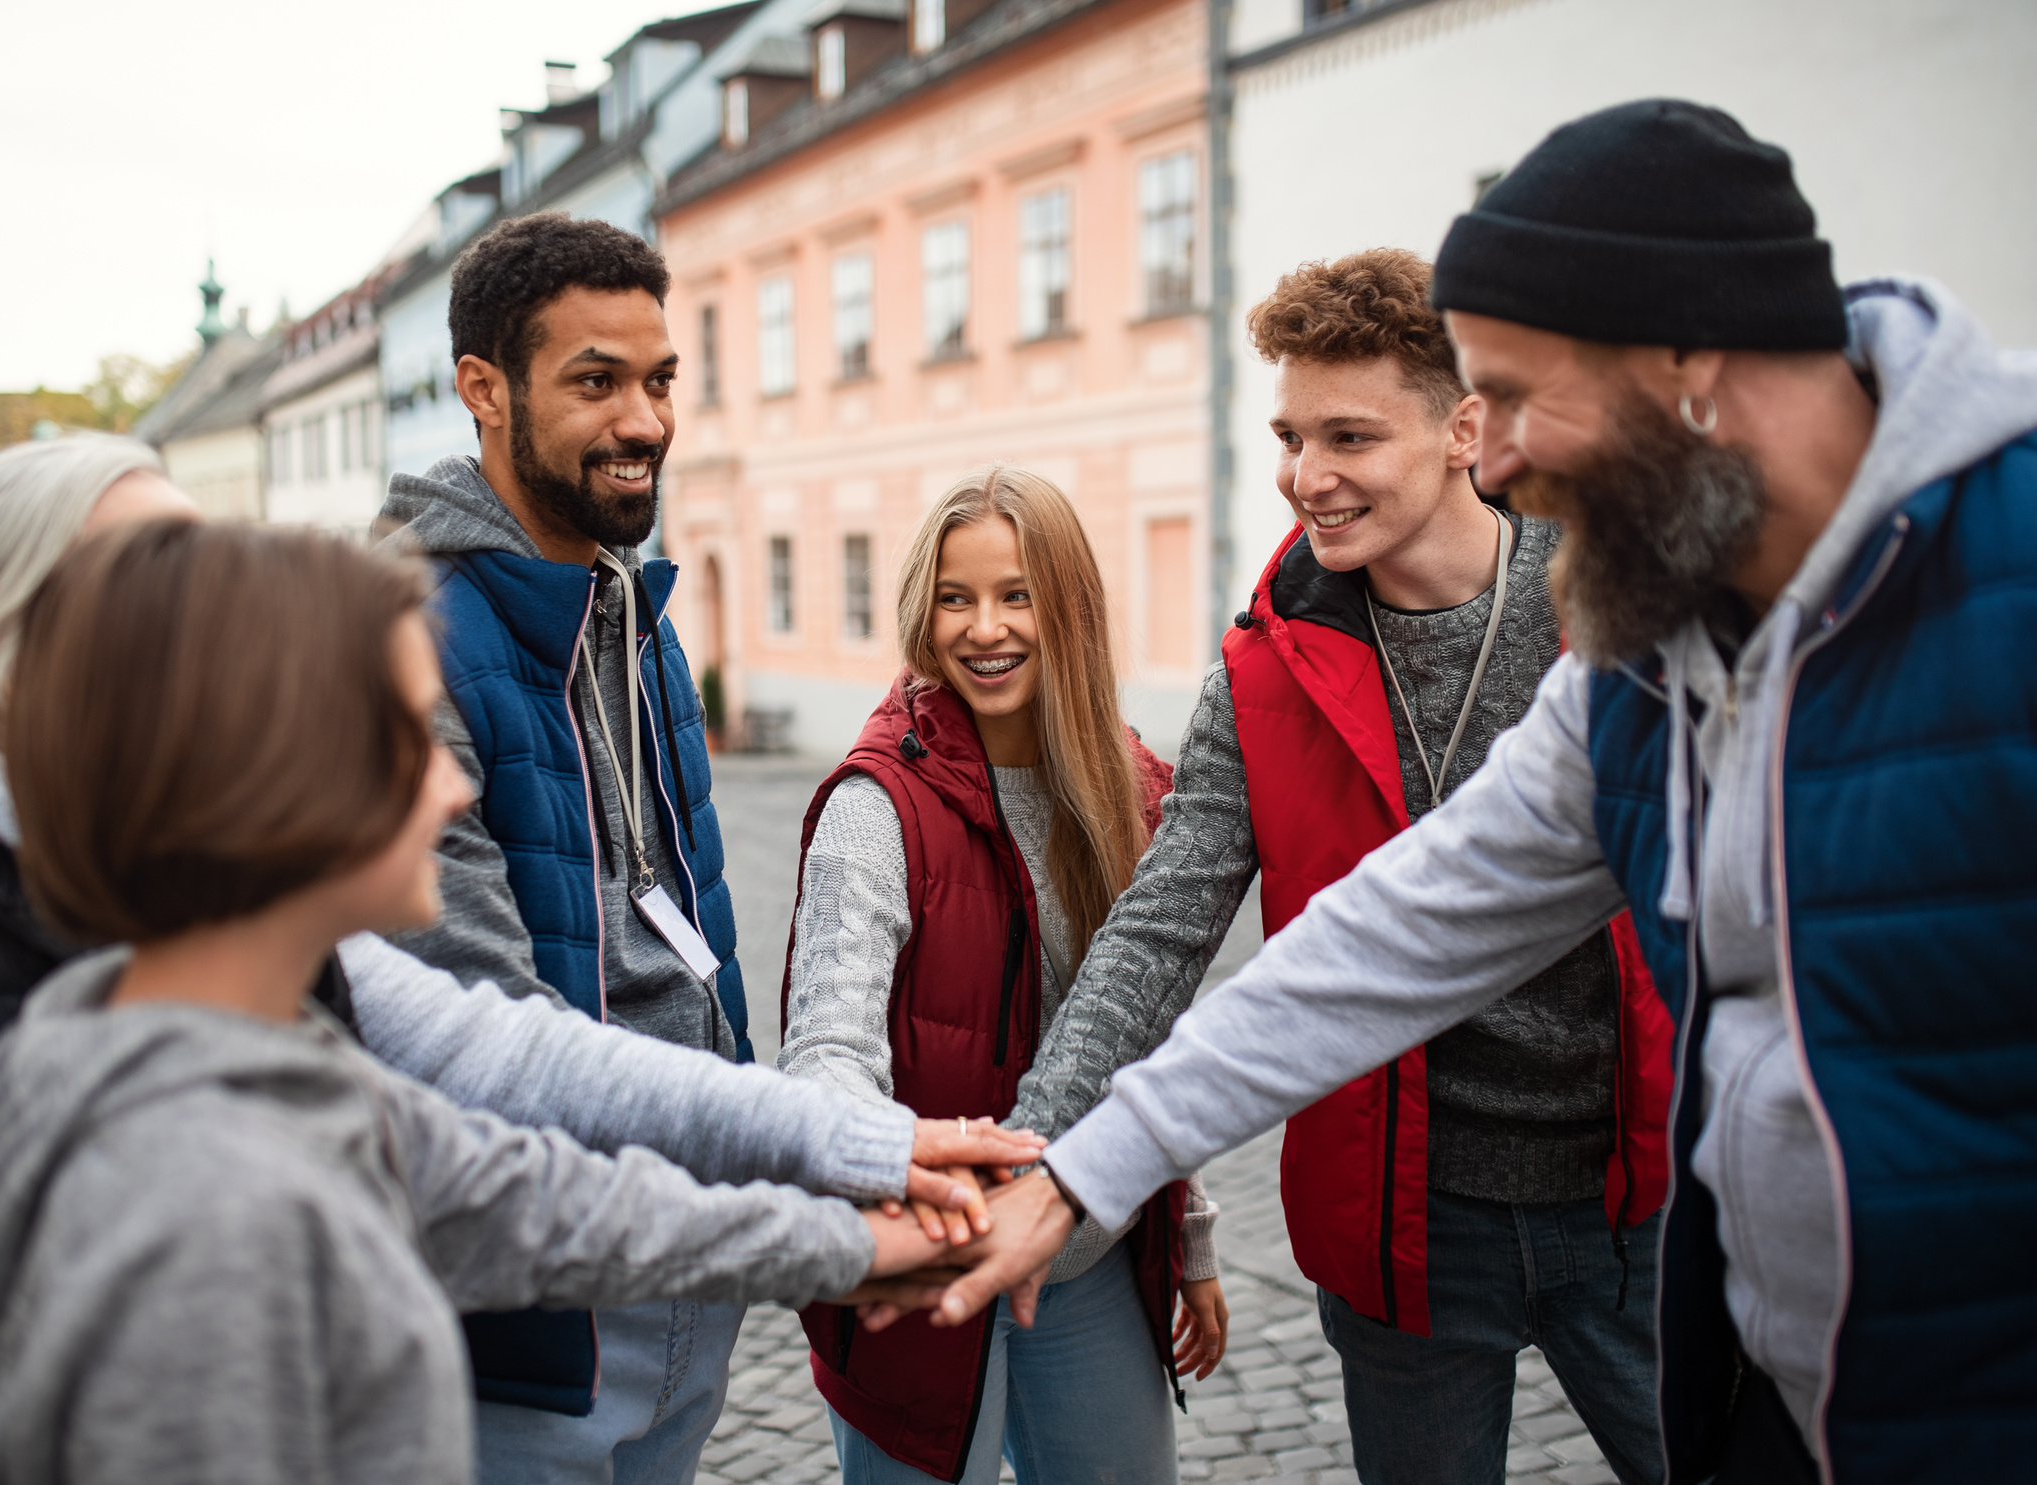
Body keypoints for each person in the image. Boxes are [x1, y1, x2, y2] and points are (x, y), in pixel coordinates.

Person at [944, 100, 2037, 1485]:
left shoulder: (1992, 566)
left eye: (1518, 398)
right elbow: (1392, 931)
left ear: (1688, 357)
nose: (1501, 454)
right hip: (1734, 1375)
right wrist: (1085, 1158)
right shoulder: (1647, 653)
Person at [0, 438, 1037, 1484]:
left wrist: (860, 1207)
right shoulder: (183, 1187)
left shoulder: (219, 1012)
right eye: (409, 734)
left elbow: (497, 1165)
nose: (458, 783)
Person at [983, 250, 1673, 1485]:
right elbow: (1155, 934)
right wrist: (1046, 1151)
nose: (1307, 477)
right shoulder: (1258, 678)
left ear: (1463, 428)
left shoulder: (1610, 609)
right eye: (1289, 436)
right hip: (1407, 1227)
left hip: (1633, 1194)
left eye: (1348, 436)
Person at [374, 210, 786, 1483]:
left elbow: (683, 924)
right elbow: (470, 1014)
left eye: (660, 380)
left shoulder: (631, 605)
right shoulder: (405, 638)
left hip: (680, 1245)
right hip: (537, 1292)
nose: (646, 422)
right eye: (595, 382)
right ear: (482, 392)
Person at [780, 467, 1228, 1485]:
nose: (984, 628)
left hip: (1091, 1257)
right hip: (924, 1268)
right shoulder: (877, 805)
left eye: (1015, 594)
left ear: (1066, 605)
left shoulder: (1132, 789)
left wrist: (1187, 1241)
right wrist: (884, 1201)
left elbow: (1145, 1041)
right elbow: (826, 1048)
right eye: (954, 597)